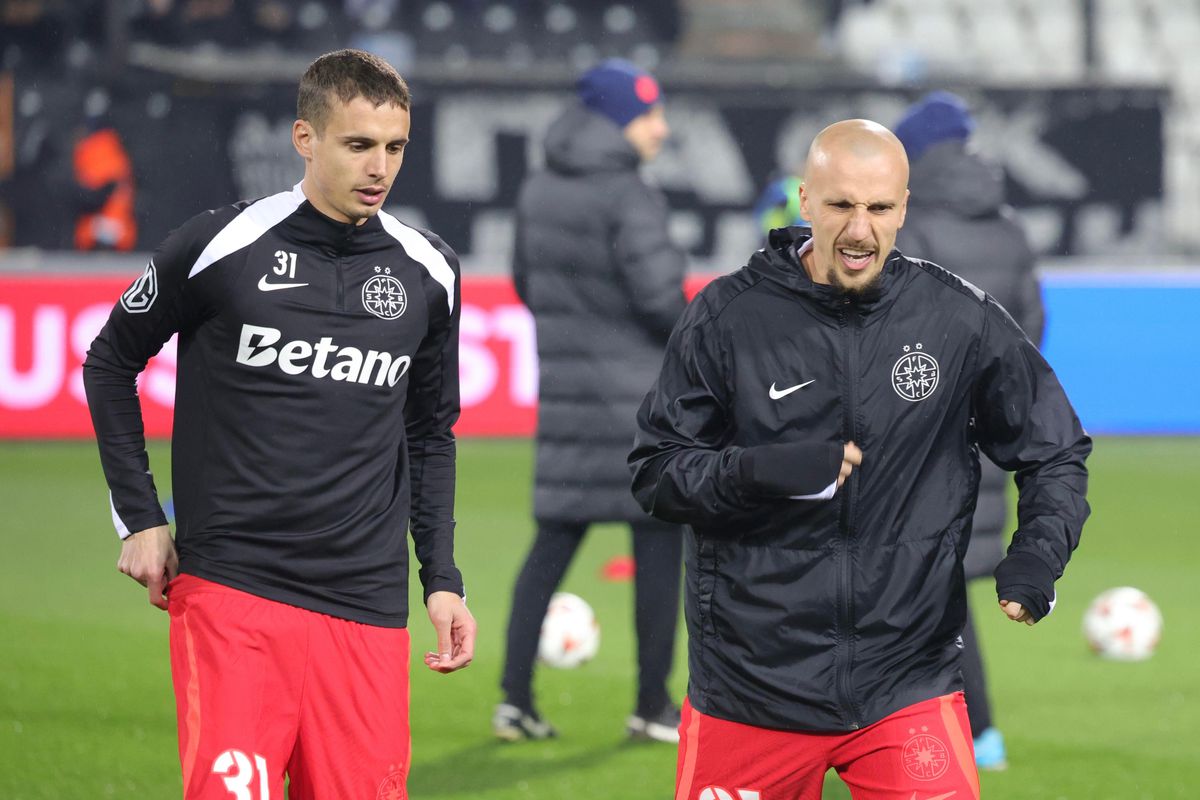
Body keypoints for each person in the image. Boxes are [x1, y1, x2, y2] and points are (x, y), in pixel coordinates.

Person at [630, 119, 1090, 799]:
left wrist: (1036, 556)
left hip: (907, 683)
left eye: (878, 207)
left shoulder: (957, 319)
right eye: (840, 204)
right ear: (805, 200)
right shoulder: (727, 318)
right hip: (750, 687)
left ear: (904, 208)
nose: (859, 229)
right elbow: (656, 471)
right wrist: (758, 472)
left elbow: (1055, 449)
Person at [83, 49, 475, 798]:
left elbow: (429, 433)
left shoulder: (430, 271)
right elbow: (109, 363)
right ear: (305, 138)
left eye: (395, 147)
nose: (380, 168)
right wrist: (140, 517)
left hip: (366, 604)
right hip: (234, 589)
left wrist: (442, 580)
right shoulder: (218, 244)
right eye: (358, 144)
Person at [495, 58, 688, 743]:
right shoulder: (629, 193)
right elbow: (660, 299)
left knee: (551, 542)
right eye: (649, 115)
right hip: (640, 406)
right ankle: (651, 706)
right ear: (617, 121)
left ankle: (514, 700)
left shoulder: (539, 186)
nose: (660, 128)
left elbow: (525, 282)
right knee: (661, 542)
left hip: (569, 396)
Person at [893, 90, 1045, 771]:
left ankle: (954, 730)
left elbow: (896, 330)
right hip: (986, 425)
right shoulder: (1008, 226)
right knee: (942, 579)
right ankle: (978, 734)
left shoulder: (911, 225)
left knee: (914, 578)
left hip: (916, 432)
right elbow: (1031, 327)